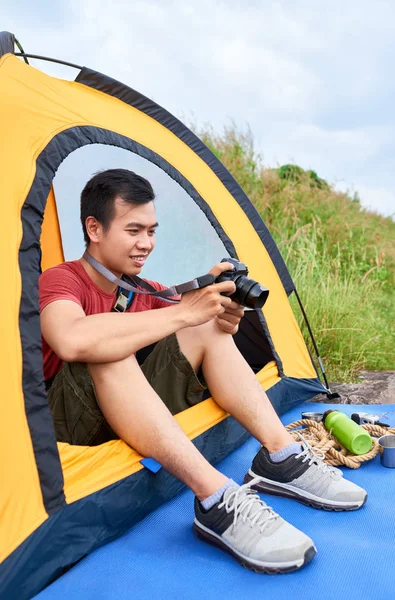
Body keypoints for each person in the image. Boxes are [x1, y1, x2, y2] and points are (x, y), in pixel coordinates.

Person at [40, 169, 367, 574]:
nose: (146, 244)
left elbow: (200, 329)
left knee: (204, 324)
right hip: (62, 426)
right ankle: (214, 499)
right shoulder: (61, 279)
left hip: (121, 410)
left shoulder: (140, 288)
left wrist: (218, 316)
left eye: (152, 231)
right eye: (134, 230)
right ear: (94, 228)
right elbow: (70, 339)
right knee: (109, 346)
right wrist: (182, 311)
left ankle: (281, 456)